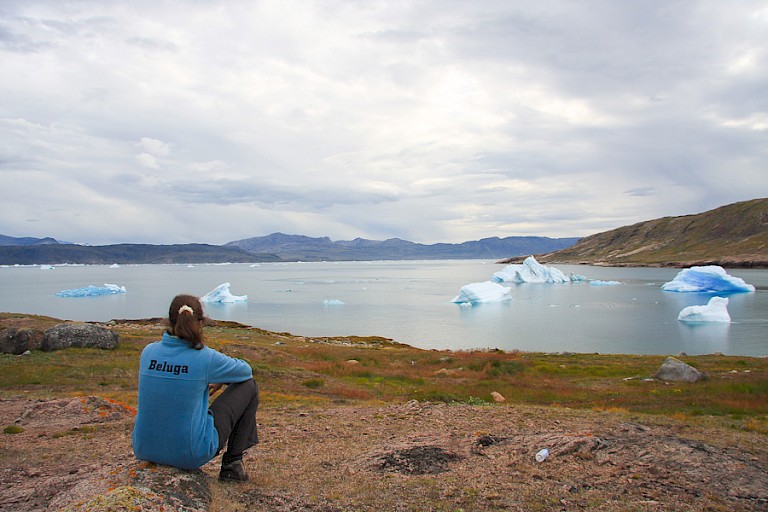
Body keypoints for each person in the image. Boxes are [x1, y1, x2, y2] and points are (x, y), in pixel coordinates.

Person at [132, 294, 259, 481]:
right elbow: (245, 371)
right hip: (189, 454)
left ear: (170, 322)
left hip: (144, 448)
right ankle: (232, 464)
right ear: (200, 323)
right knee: (249, 386)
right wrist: (221, 379)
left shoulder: (148, 352)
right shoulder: (205, 357)